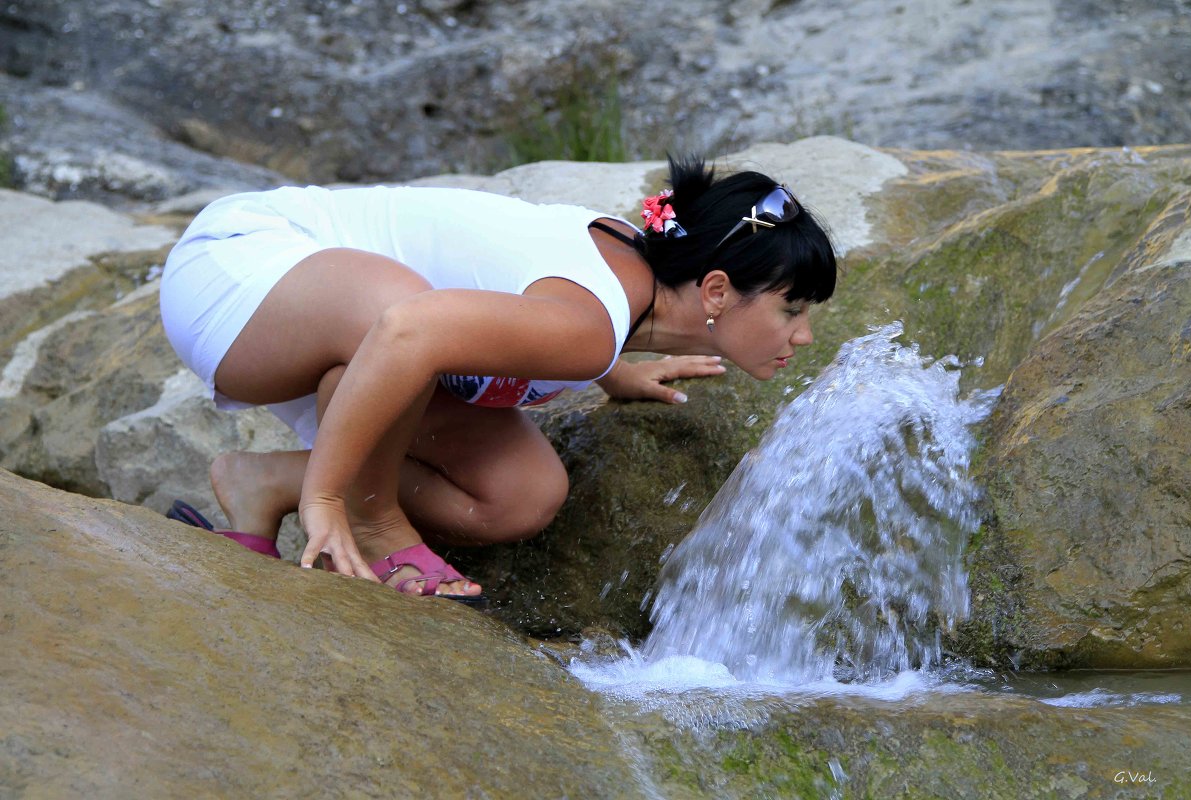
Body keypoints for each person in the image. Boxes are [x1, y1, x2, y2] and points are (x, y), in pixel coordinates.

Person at [159, 156, 837, 602]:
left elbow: (548, 313)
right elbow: (404, 332)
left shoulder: (610, 316)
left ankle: (267, 482)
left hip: (332, 329)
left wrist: (618, 375)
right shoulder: (591, 326)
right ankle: (364, 515)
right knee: (398, 314)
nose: (802, 335)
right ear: (715, 291)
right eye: (791, 308)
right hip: (241, 274)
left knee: (521, 495)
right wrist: (332, 498)